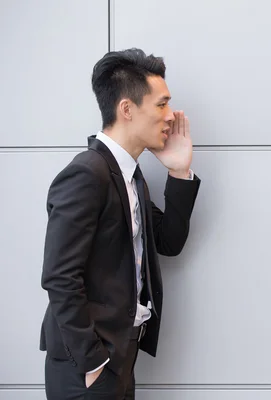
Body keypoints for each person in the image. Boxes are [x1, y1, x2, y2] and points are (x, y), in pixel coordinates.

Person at [39, 48, 201, 399]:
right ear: (127, 109)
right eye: (161, 104)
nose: (171, 115)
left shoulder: (129, 176)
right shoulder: (87, 173)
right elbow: (59, 276)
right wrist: (92, 361)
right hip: (89, 366)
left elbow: (169, 242)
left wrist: (179, 171)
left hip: (121, 357)